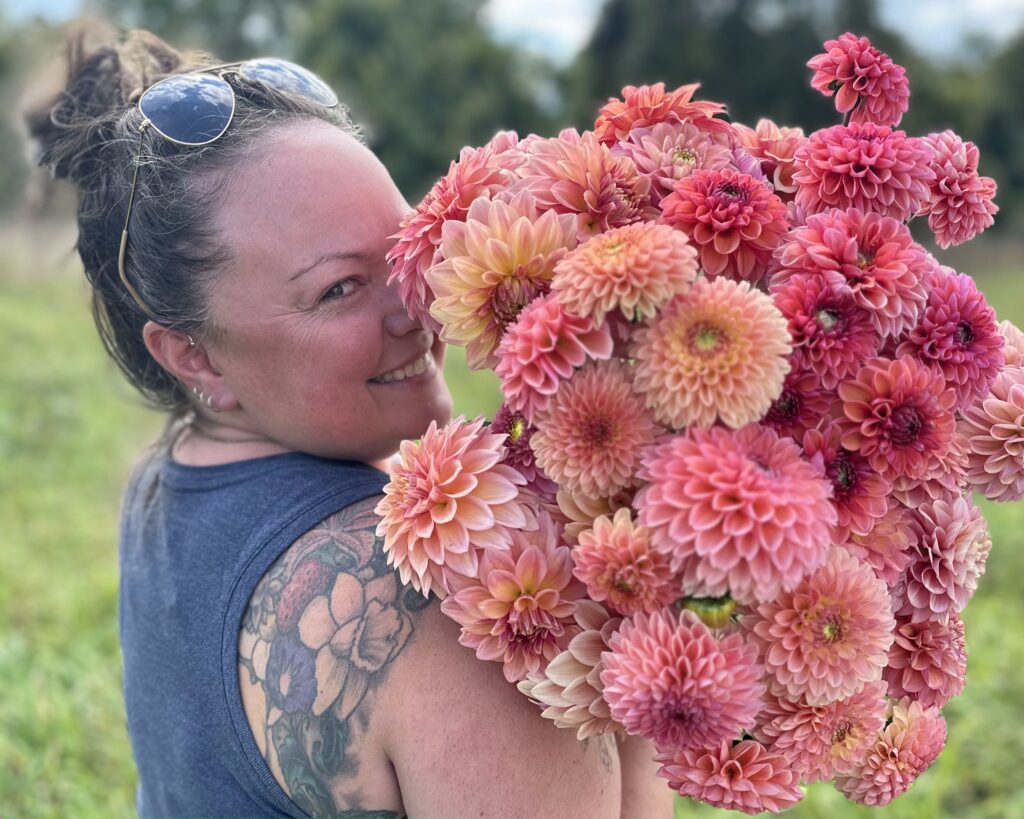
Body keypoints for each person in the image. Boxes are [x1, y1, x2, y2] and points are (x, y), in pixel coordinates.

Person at [25, 21, 674, 819]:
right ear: (194, 357)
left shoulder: (171, 479)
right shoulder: (465, 607)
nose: (418, 304)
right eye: (339, 288)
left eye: (406, 250)